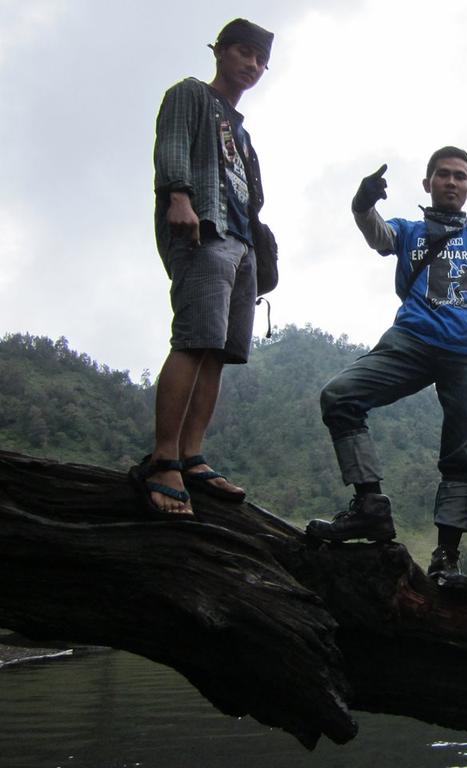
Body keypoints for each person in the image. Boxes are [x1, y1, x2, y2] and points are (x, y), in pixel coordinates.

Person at [308, 148, 467, 602]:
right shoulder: (409, 230)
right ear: (428, 183)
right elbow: (378, 236)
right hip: (412, 342)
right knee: (339, 396)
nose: (451, 182)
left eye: (460, 177)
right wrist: (362, 204)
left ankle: (446, 558)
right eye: (443, 175)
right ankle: (370, 505)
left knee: (459, 458)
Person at [130, 19, 274, 517]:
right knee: (193, 340)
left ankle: (192, 456)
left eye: (260, 59)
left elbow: (252, 198)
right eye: (244, 53)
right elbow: (171, 144)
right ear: (220, 51)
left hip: (240, 242)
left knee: (218, 352)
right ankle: (163, 460)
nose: (252, 65)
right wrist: (178, 196)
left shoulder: (243, 132)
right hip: (203, 228)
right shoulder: (190, 94)